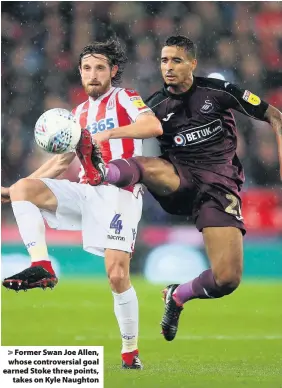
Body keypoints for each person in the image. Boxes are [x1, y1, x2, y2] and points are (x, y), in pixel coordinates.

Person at [86, 35, 282, 342]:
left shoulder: (218, 91)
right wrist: (102, 150)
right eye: (164, 60)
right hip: (178, 181)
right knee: (144, 163)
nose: (169, 67)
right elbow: (129, 136)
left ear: (193, 63)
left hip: (219, 189)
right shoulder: (154, 106)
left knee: (227, 279)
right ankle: (102, 173)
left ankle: (177, 296)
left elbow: (275, 116)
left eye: (176, 60)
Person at [1, 39, 162, 368]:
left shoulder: (125, 97)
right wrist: (15, 188)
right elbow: (61, 163)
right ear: (79, 72)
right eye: (87, 68)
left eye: (100, 67)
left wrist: (106, 135)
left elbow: (153, 126)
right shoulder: (78, 113)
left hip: (121, 191)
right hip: (87, 190)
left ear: (113, 71)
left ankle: (130, 351)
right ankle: (42, 266)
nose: (92, 74)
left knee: (117, 276)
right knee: (23, 190)